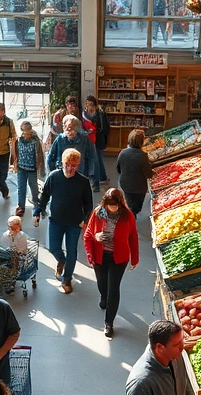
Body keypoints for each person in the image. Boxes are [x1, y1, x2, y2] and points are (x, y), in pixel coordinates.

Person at [34, 148, 93, 294]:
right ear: (62, 162)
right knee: (53, 248)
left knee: (72, 251)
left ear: (78, 165)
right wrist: (37, 212)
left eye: (74, 165)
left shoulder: (83, 182)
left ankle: (67, 279)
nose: (70, 168)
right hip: (56, 220)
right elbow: (45, 196)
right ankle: (61, 260)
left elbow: (88, 204)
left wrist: (85, 220)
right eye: (67, 164)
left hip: (75, 222)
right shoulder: (54, 177)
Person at [83, 188, 139, 339]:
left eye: (115, 205)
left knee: (113, 288)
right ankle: (103, 297)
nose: (112, 208)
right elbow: (88, 235)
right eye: (110, 205)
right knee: (103, 285)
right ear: (105, 203)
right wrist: (96, 237)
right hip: (100, 257)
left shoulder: (128, 216)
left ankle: (109, 323)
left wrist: (135, 258)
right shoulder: (97, 213)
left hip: (118, 259)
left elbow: (133, 237)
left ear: (120, 203)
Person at [10, 120, 45, 217]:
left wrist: (41, 169)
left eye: (27, 129)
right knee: (21, 187)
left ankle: (36, 202)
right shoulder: (19, 140)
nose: (26, 132)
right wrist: (13, 163)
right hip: (21, 168)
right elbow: (15, 152)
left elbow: (40, 155)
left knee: (33, 186)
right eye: (24, 130)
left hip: (32, 169)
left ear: (30, 129)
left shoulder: (35, 141)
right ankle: (21, 206)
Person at [115, 129, 153, 216]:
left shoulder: (122, 153)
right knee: (136, 207)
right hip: (139, 187)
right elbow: (148, 174)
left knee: (129, 202)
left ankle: (130, 216)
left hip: (125, 184)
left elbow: (118, 169)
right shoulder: (142, 156)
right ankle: (131, 219)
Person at [83, 96, 111, 194]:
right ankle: (101, 178)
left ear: (94, 105)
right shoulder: (84, 114)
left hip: (98, 140)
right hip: (88, 140)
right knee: (96, 161)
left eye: (90, 104)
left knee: (97, 160)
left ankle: (97, 182)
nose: (88, 106)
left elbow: (104, 129)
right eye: (87, 103)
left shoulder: (100, 114)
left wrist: (95, 131)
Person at [0, 216, 31, 294]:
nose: (13, 230)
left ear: (19, 227)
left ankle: (10, 283)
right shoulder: (5, 235)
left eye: (15, 228)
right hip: (8, 255)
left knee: (13, 262)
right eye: (11, 228)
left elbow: (22, 249)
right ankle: (4, 279)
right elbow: (3, 246)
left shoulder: (22, 236)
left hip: (19, 256)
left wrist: (15, 251)